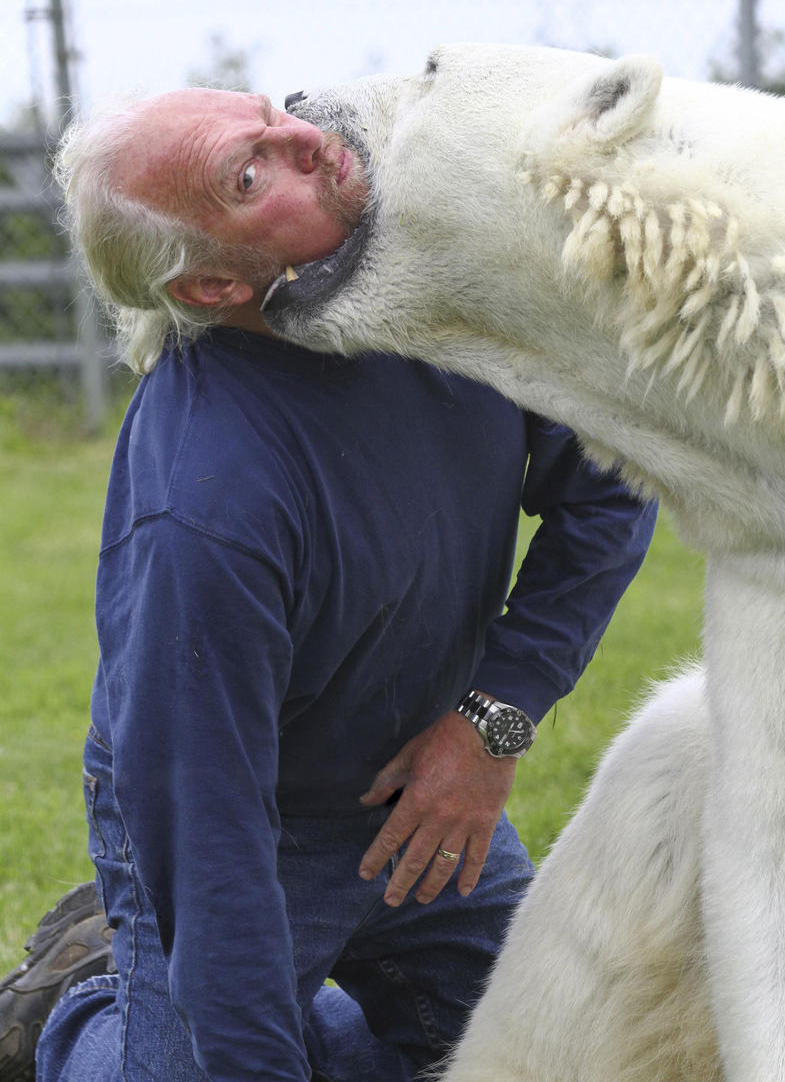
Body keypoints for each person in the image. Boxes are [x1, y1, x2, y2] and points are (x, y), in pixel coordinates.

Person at [0, 87, 657, 1082]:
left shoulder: (449, 293)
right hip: (232, 817)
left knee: (577, 1055)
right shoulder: (205, 507)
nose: (308, 139)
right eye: (250, 173)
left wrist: (491, 720)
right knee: (217, 1054)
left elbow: (613, 488)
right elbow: (212, 837)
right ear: (214, 285)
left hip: (423, 789)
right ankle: (76, 1010)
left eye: (268, 115)